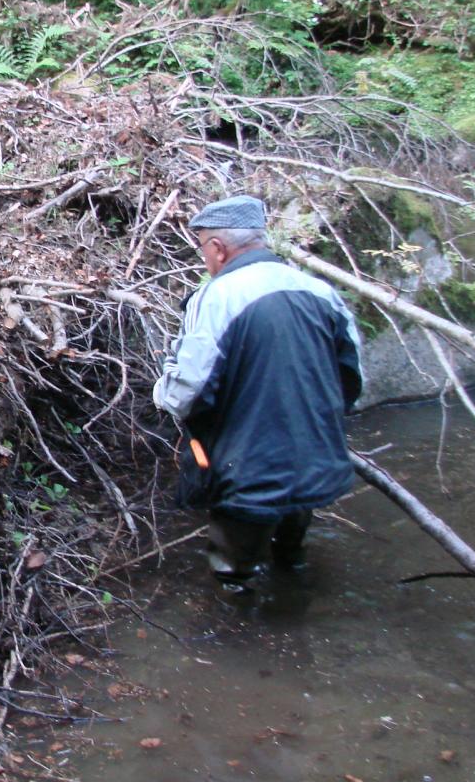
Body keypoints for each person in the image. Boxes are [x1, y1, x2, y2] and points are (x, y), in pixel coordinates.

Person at [152, 195, 363, 594]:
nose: (204, 260)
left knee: (233, 575)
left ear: (218, 247)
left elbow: (189, 390)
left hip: (247, 464)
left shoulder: (217, 297)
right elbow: (352, 379)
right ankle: (294, 612)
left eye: (202, 249)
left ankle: (238, 640)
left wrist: (161, 392)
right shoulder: (321, 292)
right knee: (292, 559)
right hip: (315, 456)